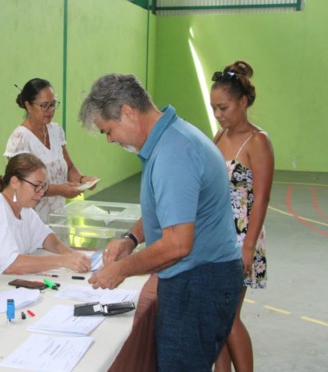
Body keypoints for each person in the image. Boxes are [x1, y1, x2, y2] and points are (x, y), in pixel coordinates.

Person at [79, 73, 243, 371]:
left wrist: (121, 270)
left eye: (108, 130)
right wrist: (130, 240)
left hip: (198, 283)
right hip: (199, 279)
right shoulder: (170, 140)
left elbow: (178, 244)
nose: (111, 139)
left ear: (127, 112)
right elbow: (169, 211)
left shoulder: (173, 153)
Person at [211, 61, 274, 372]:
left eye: (223, 107)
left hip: (239, 240)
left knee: (228, 317)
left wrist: (248, 247)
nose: (219, 115)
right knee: (215, 317)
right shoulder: (220, 135)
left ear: (243, 102)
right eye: (214, 109)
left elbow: (261, 199)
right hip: (216, 238)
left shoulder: (258, 141)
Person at [0, 153, 91, 277]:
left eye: (44, 186)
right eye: (36, 186)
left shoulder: (25, 209)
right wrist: (63, 261)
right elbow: (11, 264)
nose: (41, 192)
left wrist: (69, 253)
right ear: (15, 182)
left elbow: (45, 237)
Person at [4, 78, 99, 222]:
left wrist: (81, 180)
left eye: (53, 104)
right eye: (44, 106)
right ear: (28, 106)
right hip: (32, 220)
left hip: (59, 218)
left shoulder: (56, 131)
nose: (51, 110)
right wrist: (60, 189)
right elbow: (22, 185)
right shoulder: (20, 139)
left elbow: (69, 167)